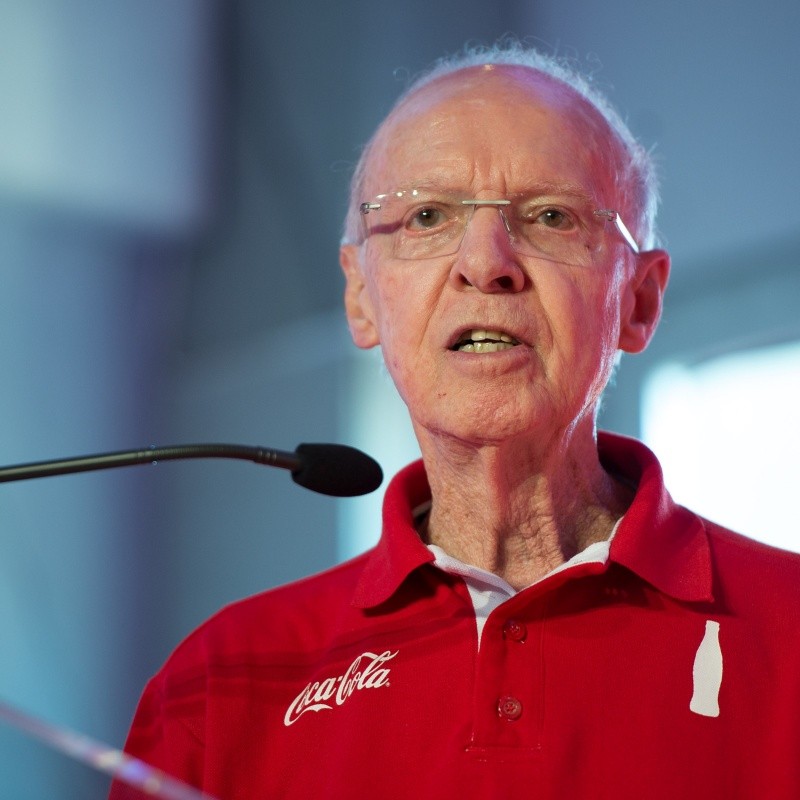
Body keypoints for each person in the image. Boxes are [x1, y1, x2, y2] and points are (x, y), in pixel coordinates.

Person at [112, 43, 800, 800]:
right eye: (427, 216)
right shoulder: (219, 685)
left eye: (548, 216)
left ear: (638, 299)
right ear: (360, 297)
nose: (485, 262)